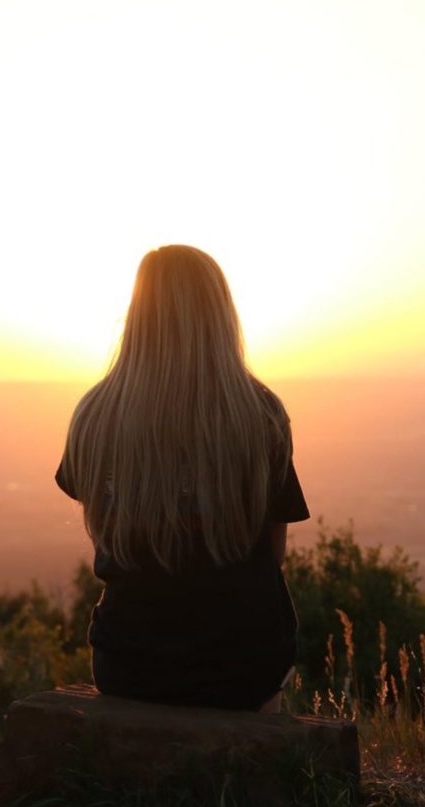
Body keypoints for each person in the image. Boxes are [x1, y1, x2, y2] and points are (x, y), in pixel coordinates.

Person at [55, 245, 310, 713]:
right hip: (242, 667)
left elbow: (104, 533)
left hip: (128, 663)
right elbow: (273, 557)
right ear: (221, 316)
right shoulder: (262, 416)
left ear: (137, 314)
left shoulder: (93, 416)